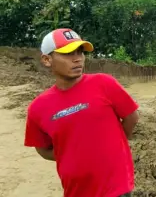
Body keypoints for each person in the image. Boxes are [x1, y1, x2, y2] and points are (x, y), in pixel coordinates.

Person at [23, 28, 140, 197]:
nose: (77, 58)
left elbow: (132, 117)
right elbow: (42, 149)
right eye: (68, 53)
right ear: (47, 59)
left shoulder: (104, 84)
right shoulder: (38, 107)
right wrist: (74, 153)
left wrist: (112, 145)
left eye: (80, 52)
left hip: (116, 188)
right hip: (76, 190)